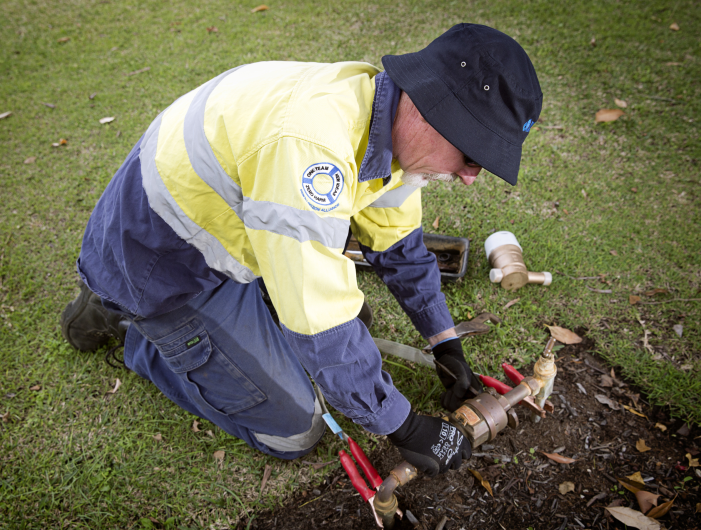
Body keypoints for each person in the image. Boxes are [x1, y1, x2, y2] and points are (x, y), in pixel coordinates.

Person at [61, 23, 542, 477]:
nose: (469, 176)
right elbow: (322, 322)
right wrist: (404, 426)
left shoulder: (385, 123)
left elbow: (399, 246)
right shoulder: (311, 152)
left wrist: (445, 341)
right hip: (159, 266)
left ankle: (208, 319)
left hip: (233, 238)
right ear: (431, 109)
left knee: (357, 333)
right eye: (472, 155)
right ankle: (128, 326)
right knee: (295, 430)